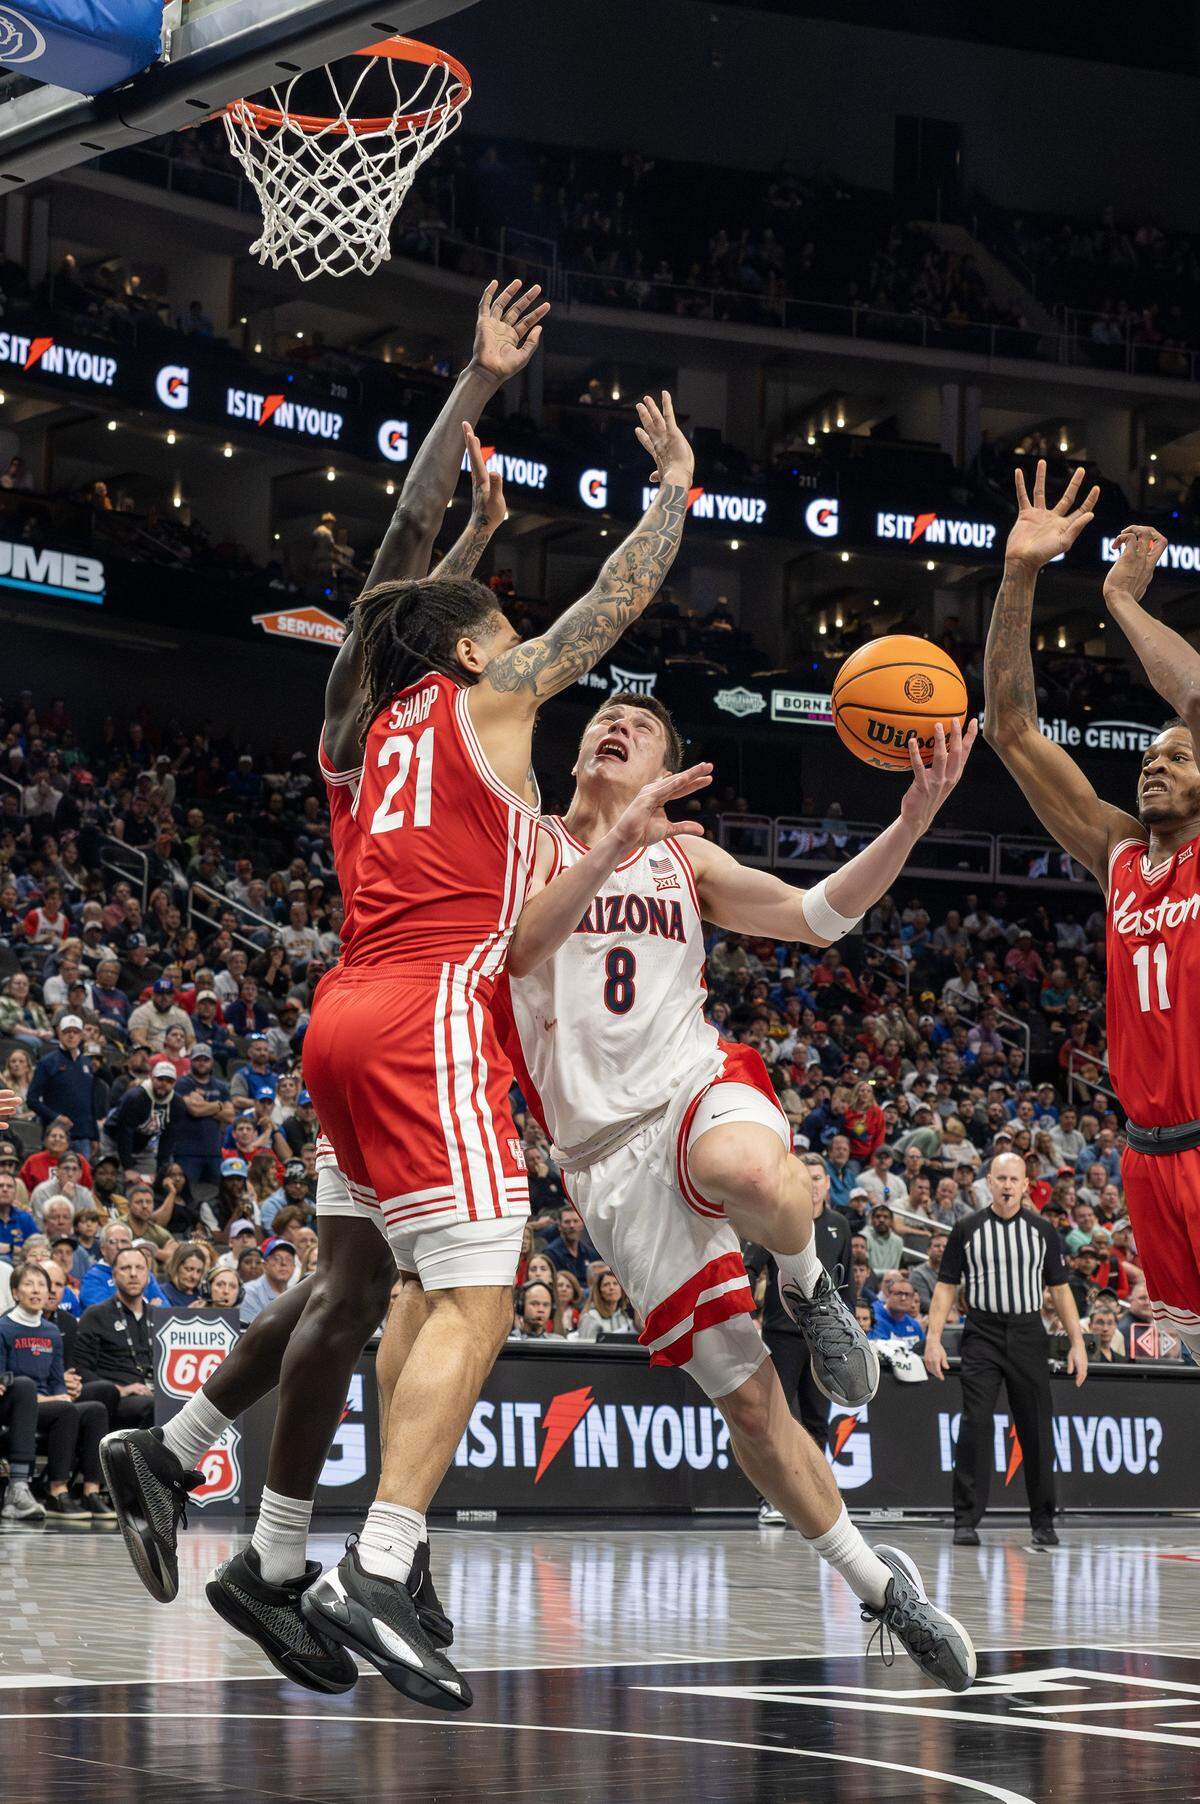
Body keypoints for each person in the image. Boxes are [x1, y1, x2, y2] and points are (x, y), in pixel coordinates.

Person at [102, 281, 619, 1702]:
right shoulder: (456, 704)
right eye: (489, 619)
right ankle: (370, 1559)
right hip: (424, 1010)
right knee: (454, 1288)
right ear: (462, 649)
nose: (509, 639)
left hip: (345, 1011)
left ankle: (214, 1491)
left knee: (345, 1287)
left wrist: (465, 479)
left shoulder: (351, 720)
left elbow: (397, 576)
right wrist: (495, 405)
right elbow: (450, 583)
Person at [481, 691, 979, 1692]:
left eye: (643, 722)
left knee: (748, 1169)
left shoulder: (685, 861)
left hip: (693, 1083)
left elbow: (814, 918)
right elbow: (522, 953)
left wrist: (911, 821)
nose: (616, 725)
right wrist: (611, 836)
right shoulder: (520, 844)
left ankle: (808, 1282)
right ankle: (882, 1588)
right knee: (749, 1406)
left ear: (671, 763)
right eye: (604, 718)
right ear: (576, 751)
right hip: (603, 1157)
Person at [983, 477, 1200, 1358]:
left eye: (1180, 756)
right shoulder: (1118, 856)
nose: (1156, 766)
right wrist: (1020, 575)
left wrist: (1116, 598)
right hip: (1147, 1156)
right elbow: (1010, 728)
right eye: (1149, 758)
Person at [924, 1151, 1088, 1546]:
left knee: (1035, 1428)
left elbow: (1060, 1289)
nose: (1007, 1186)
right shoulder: (966, 1228)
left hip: (1029, 1332)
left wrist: (1077, 1342)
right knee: (975, 1423)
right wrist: (932, 1338)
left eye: (1014, 1179)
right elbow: (946, 1285)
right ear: (989, 1183)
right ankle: (965, 1519)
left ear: (1026, 1184)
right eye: (1000, 1179)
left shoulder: (1042, 1230)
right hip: (982, 1332)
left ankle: (1042, 1522)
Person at [0, 1261, 111, 1519]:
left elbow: (56, 1381)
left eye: (42, 1285)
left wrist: (61, 1392)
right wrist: (52, 1398)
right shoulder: (4, 1328)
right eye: (29, 1284)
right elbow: (4, 1379)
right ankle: (55, 1490)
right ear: (16, 1292)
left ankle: (90, 1491)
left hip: (47, 1403)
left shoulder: (51, 1332)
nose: (37, 1290)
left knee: (94, 1409)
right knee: (51, 1401)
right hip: (14, 1404)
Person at [74, 1247, 159, 1428]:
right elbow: (81, 1370)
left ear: (148, 1275)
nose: (133, 1274)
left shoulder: (160, 1317)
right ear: (113, 1276)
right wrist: (120, 1390)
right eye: (126, 1268)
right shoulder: (95, 1315)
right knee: (155, 1408)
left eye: (140, 1268)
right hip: (118, 1397)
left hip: (157, 1393)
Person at [26, 1014, 98, 1156]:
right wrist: (56, 1117)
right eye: (67, 1032)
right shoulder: (47, 1062)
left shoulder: (87, 1064)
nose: (71, 1036)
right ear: (60, 1033)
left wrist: (95, 1136)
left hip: (83, 1138)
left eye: (75, 1032)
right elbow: (32, 1100)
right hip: (56, 1136)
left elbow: (90, 1103)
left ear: (81, 1035)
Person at [239, 1237, 298, 1325]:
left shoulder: (296, 1294)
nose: (284, 1263)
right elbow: (253, 1332)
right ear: (264, 1265)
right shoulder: (249, 1292)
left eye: (289, 1259)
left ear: (294, 1267)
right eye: (277, 1258)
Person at [575, 1268, 636, 1340]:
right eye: (606, 1284)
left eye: (615, 1283)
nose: (611, 1287)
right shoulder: (590, 1317)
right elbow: (586, 1347)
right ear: (599, 1291)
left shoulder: (626, 1316)